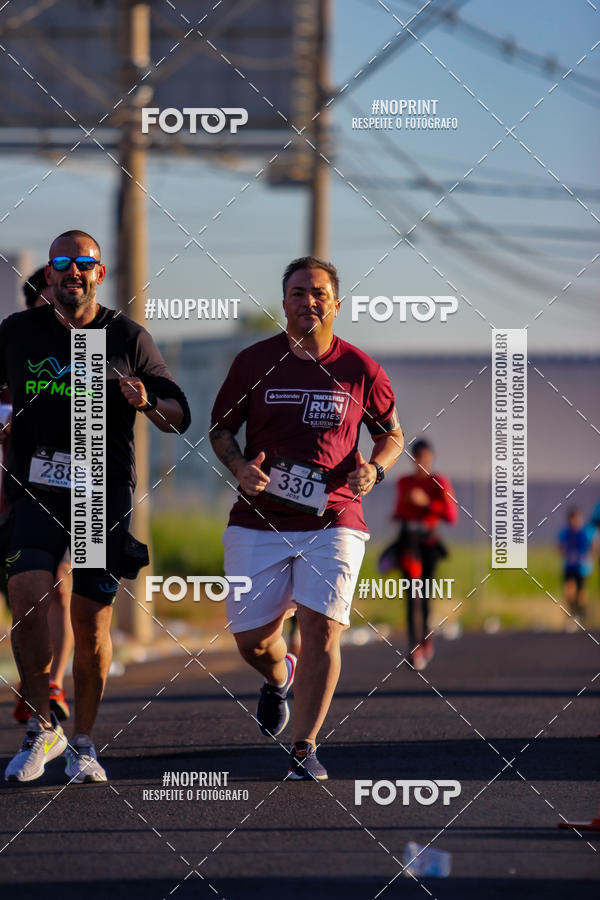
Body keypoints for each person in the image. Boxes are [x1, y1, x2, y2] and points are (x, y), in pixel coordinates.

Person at [0, 230, 191, 784]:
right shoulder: (18, 332)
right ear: (51, 277)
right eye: (61, 264)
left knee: (91, 622)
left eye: (83, 264)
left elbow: (180, 412)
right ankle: (42, 727)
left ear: (99, 275)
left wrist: (148, 400)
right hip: (35, 485)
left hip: (97, 494)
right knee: (27, 591)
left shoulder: (126, 336)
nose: (71, 273)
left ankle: (83, 742)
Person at [210, 256, 403, 780]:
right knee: (252, 639)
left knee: (321, 630)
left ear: (336, 304)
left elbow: (391, 435)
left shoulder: (360, 369)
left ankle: (305, 746)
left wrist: (376, 472)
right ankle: (278, 677)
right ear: (285, 303)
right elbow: (220, 430)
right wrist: (239, 467)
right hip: (259, 519)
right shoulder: (254, 363)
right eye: (297, 293)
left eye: (318, 293)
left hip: (335, 517)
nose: (308, 302)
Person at [8, 269, 73, 724]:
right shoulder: (11, 349)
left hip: (61, 496)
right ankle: (33, 678)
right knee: (21, 601)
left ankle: (51, 685)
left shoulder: (87, 353)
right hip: (8, 499)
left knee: (58, 589)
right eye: (46, 306)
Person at [380, 438, 457, 670]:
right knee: (410, 595)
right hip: (409, 544)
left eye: (425, 459)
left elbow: (451, 516)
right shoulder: (404, 482)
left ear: (431, 459)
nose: (421, 463)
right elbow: (399, 510)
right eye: (417, 459)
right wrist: (399, 513)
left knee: (424, 595)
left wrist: (426, 504)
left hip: (430, 544)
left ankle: (425, 641)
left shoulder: (439, 482)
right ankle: (413, 648)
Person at [558, 507, 596, 629]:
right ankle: (572, 615)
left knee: (580, 593)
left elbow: (593, 546)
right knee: (569, 591)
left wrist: (588, 557)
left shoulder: (585, 532)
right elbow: (560, 547)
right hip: (569, 566)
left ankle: (581, 614)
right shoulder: (566, 533)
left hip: (581, 567)